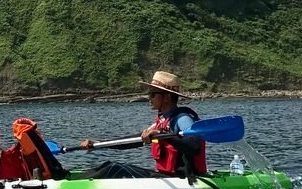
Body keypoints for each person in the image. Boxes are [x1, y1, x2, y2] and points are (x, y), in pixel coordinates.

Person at [75, 70, 207, 180]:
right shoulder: (162, 121)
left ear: (167, 97)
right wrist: (98, 143)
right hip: (166, 176)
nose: (149, 98)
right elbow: (131, 141)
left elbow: (194, 146)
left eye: (153, 94)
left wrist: (163, 136)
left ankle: (71, 186)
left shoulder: (183, 119)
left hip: (183, 179)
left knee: (115, 168)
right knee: (109, 165)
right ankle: (71, 178)